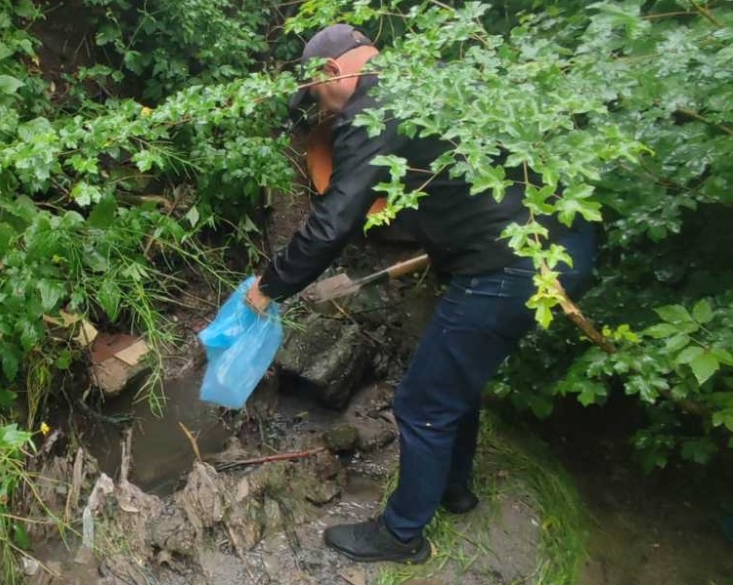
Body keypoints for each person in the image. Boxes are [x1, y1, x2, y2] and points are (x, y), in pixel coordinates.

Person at [244, 23, 598, 564]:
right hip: (561, 242)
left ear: (333, 72)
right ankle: (454, 490)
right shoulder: (426, 81)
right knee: (456, 380)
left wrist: (271, 285)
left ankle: (402, 534)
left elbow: (335, 220)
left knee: (420, 402)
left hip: (509, 266)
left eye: (318, 95)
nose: (328, 112)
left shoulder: (369, 110)